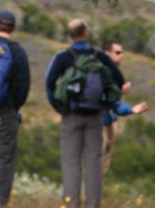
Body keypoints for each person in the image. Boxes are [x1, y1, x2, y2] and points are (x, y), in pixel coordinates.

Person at [45, 19, 124, 208]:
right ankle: (93, 204)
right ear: (86, 34)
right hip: (95, 115)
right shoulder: (100, 56)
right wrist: (105, 102)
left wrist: (60, 107)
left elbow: (49, 83)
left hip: (71, 115)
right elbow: (119, 80)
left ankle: (71, 204)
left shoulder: (63, 57)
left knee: (71, 162)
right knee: (94, 162)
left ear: (69, 35)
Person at [0, 10, 31, 208]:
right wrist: (13, 106)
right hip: (7, 111)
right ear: (13, 28)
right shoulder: (18, 52)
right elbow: (23, 86)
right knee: (4, 156)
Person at [101, 40, 148, 176]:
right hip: (98, 124)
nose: (121, 56)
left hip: (106, 123)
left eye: (121, 53)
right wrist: (120, 93)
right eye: (117, 53)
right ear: (107, 53)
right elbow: (103, 100)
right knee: (97, 163)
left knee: (102, 165)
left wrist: (131, 109)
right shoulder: (102, 73)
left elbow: (114, 104)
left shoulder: (113, 74)